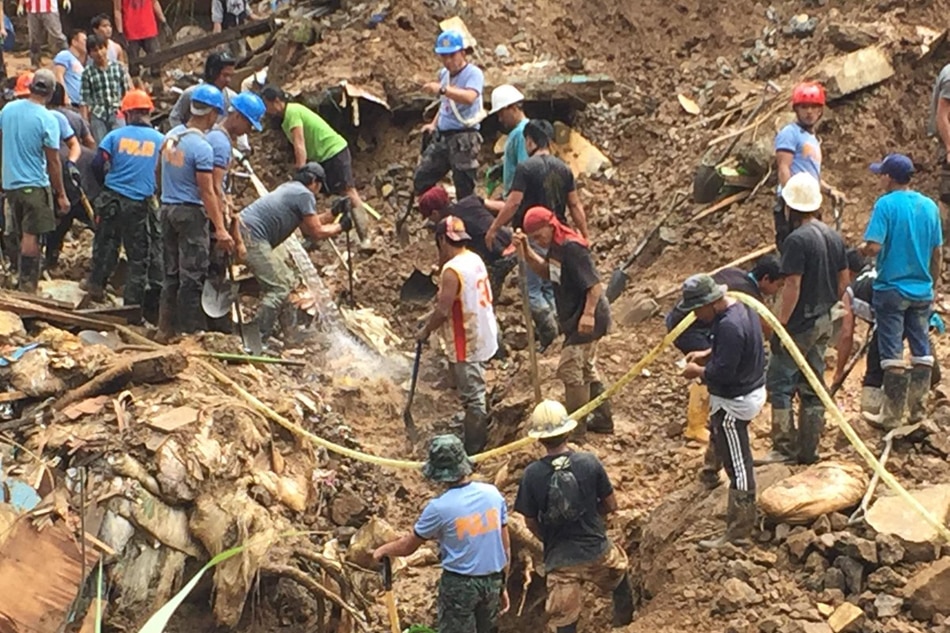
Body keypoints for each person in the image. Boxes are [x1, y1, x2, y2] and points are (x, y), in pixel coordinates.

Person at [514, 400, 634, 632]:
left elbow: (529, 522)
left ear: (538, 438)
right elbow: (611, 504)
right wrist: (590, 514)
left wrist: (548, 537)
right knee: (620, 576)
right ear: (568, 431)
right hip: (596, 551)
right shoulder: (589, 462)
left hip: (560, 562)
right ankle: (627, 624)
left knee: (564, 619)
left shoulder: (532, 474)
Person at [373, 434, 510, 633]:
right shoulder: (492, 494)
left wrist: (382, 550)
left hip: (459, 586)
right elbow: (505, 546)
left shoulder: (439, 508)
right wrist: (502, 584)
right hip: (492, 581)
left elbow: (408, 546)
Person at [759, 173, 848, 465]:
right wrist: (832, 304)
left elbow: (793, 284)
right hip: (824, 318)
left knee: (780, 381)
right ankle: (809, 450)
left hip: (801, 322)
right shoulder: (832, 235)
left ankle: (783, 448)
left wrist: (781, 323)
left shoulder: (797, 240)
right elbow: (843, 278)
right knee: (812, 383)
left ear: (790, 207)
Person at [679, 274, 766, 549]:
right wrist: (707, 353)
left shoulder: (729, 325)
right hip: (749, 388)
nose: (694, 315)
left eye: (696, 309)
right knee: (719, 430)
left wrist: (699, 371)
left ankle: (739, 531)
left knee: (739, 465)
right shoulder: (739, 309)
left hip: (736, 400)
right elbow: (733, 351)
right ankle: (708, 473)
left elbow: (724, 372)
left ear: (711, 302)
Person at [487, 120, 590, 349]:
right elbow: (575, 205)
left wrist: (495, 227)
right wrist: (584, 234)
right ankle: (558, 334)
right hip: (558, 236)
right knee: (551, 285)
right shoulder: (563, 168)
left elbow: (513, 202)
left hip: (532, 236)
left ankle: (550, 335)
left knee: (531, 289)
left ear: (530, 141)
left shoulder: (526, 168)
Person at [859, 154, 942, 429]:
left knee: (892, 350)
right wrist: (933, 282)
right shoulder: (929, 206)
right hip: (922, 289)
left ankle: (891, 414)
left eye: (882, 175)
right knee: (921, 349)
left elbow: (874, 246)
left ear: (889, 177)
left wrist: (861, 250)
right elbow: (937, 251)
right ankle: (917, 411)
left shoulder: (886, 205)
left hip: (891, 288)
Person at [514, 206, 612, 435]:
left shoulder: (571, 247)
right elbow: (549, 273)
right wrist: (527, 251)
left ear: (551, 225)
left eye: (539, 235)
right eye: (534, 238)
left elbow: (595, 286)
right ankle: (603, 420)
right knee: (585, 369)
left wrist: (587, 314)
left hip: (587, 317)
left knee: (570, 369)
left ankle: (576, 431)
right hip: (574, 317)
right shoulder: (555, 247)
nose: (539, 240)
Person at [234, 163, 344, 345]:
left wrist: (334, 212)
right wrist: (341, 226)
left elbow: (309, 225)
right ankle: (257, 339)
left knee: (286, 279)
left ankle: (290, 332)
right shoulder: (304, 194)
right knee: (278, 288)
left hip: (245, 232)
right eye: (319, 187)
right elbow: (315, 232)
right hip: (252, 237)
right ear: (314, 182)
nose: (318, 192)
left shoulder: (290, 188)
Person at [417, 216, 499, 454]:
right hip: (484, 330)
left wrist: (425, 330)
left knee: (474, 398)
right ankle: (474, 425)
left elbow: (443, 311)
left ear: (442, 239)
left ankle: (474, 448)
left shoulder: (451, 271)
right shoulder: (473, 258)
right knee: (474, 388)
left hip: (467, 339)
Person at [156, 84, 233, 341]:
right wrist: (220, 228)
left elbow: (158, 171)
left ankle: (164, 328)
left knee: (171, 272)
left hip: (167, 209)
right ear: (212, 114)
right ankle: (189, 332)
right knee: (193, 274)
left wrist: (164, 194)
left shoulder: (170, 138)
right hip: (190, 214)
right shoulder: (202, 148)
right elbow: (207, 191)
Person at [261, 84, 373, 250]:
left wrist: (301, 171)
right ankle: (312, 236)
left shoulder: (292, 112)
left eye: (266, 104)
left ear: (276, 101)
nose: (266, 109)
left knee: (348, 191)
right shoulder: (286, 117)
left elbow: (299, 144)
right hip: (321, 157)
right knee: (305, 196)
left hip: (333, 151)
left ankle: (366, 237)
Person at [84, 90, 164, 322]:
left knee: (105, 244)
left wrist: (106, 184)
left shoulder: (114, 136)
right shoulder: (160, 140)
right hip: (139, 203)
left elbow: (98, 163)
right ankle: (131, 306)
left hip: (112, 198)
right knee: (139, 256)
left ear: (126, 113)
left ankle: (96, 285)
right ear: (149, 112)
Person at [0, 68, 68, 292]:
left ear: (30, 87)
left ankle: (17, 276)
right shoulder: (47, 119)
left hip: (10, 184)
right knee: (31, 235)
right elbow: (53, 161)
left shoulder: (8, 110)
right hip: (34, 184)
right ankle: (28, 285)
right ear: (51, 92)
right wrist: (61, 194)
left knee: (17, 230)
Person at [773, 82, 846, 250]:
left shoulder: (811, 139)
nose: (809, 112)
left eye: (814, 107)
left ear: (820, 110)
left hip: (810, 202)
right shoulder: (790, 133)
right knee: (795, 250)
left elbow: (810, 176)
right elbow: (784, 168)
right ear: (796, 109)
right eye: (804, 107)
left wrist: (829, 190)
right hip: (794, 204)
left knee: (814, 249)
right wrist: (790, 201)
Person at [413, 30, 484, 200]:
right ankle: (438, 212)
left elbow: (469, 97)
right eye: (444, 57)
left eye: (452, 55)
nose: (448, 61)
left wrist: (442, 89)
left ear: (462, 53)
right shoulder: (444, 74)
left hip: (464, 138)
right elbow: (446, 104)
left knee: (464, 188)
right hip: (443, 137)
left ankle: (464, 220)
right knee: (422, 178)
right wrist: (434, 124)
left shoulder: (473, 74)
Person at [666, 255, 785, 354]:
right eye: (778, 285)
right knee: (716, 364)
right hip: (687, 328)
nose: (777, 290)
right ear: (766, 278)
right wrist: (778, 350)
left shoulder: (734, 272)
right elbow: (766, 327)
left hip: (675, 316)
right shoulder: (748, 295)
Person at [417, 185, 514, 296]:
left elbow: (447, 259)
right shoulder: (471, 200)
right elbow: (503, 208)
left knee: (483, 297)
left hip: (498, 260)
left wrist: (437, 270)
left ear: (435, 213)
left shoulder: (446, 230)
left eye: (429, 217)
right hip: (514, 245)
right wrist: (495, 226)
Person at [44, 84, 93, 269]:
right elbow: (89, 142)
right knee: (80, 214)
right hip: (76, 171)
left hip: (51, 171)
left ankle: (49, 258)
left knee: (58, 218)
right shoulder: (74, 117)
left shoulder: (41, 117)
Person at [80, 33, 129, 142]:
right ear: (90, 54)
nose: (99, 53)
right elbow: (84, 99)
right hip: (97, 115)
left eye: (101, 48)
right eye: (95, 50)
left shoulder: (118, 67)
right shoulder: (87, 72)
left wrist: (125, 111)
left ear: (106, 48)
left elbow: (126, 91)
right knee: (102, 148)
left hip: (117, 112)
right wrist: (85, 121)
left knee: (120, 144)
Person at [168, 52, 237, 128]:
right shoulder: (191, 94)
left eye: (231, 76)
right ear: (212, 73)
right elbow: (174, 118)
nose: (228, 80)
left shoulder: (231, 98)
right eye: (225, 75)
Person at [488, 83, 529, 197]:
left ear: (513, 108)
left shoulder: (521, 133)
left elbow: (524, 168)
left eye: (501, 113)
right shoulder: (521, 131)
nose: (500, 119)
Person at [17, 0, 67, 68]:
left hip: (50, 9)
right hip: (32, 10)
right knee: (34, 38)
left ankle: (67, 58)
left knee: (57, 36)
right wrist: (21, 4)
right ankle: (35, 62)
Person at [52, 29, 85, 107]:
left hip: (79, 104)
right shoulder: (64, 55)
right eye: (84, 41)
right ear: (74, 42)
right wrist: (65, 97)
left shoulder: (78, 61)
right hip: (70, 103)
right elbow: (58, 76)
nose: (86, 44)